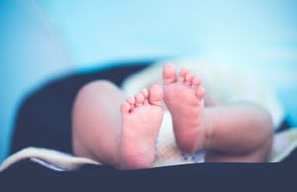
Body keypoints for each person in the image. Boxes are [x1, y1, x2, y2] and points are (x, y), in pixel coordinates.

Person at [72, 63, 274, 170]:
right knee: (96, 94)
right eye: (163, 86)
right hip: (131, 134)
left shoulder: (221, 104)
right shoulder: (129, 103)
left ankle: (204, 129)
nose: (174, 85)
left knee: (261, 123)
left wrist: (206, 108)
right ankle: (122, 149)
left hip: (209, 155)